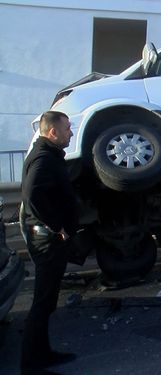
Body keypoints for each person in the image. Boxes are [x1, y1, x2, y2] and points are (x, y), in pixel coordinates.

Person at [20, 111, 79, 375]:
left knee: (47, 301)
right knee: (42, 302)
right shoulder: (44, 158)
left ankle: (42, 354)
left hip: (48, 237)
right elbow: (33, 196)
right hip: (47, 239)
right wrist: (58, 227)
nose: (71, 132)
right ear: (52, 132)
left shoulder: (48, 155)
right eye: (67, 128)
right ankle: (32, 363)